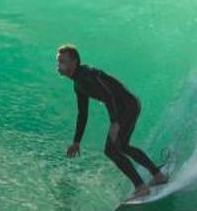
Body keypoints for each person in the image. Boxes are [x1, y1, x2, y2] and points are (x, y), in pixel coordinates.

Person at [57, 44, 168, 195]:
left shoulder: (86, 76)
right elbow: (82, 113)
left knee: (111, 149)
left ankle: (141, 187)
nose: (59, 65)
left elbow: (108, 95)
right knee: (122, 146)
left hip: (126, 106)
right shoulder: (78, 83)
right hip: (127, 105)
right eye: (58, 61)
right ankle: (157, 175)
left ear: (74, 62)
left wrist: (115, 121)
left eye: (63, 61)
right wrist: (77, 141)